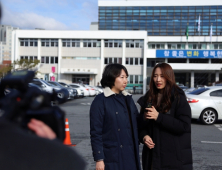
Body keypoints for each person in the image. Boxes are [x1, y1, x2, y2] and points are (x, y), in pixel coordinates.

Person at [137, 63, 193, 170]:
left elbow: (184, 126)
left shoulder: (177, 97)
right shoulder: (149, 97)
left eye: (162, 76)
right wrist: (144, 136)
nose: (158, 79)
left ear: (169, 77)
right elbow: (140, 125)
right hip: (152, 158)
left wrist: (159, 117)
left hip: (173, 159)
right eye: (155, 76)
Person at [90, 63, 141, 170]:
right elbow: (96, 132)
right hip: (112, 157)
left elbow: (137, 123)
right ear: (111, 77)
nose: (125, 81)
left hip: (131, 155)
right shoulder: (100, 100)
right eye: (121, 77)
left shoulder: (128, 99)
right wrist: (99, 159)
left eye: (126, 77)